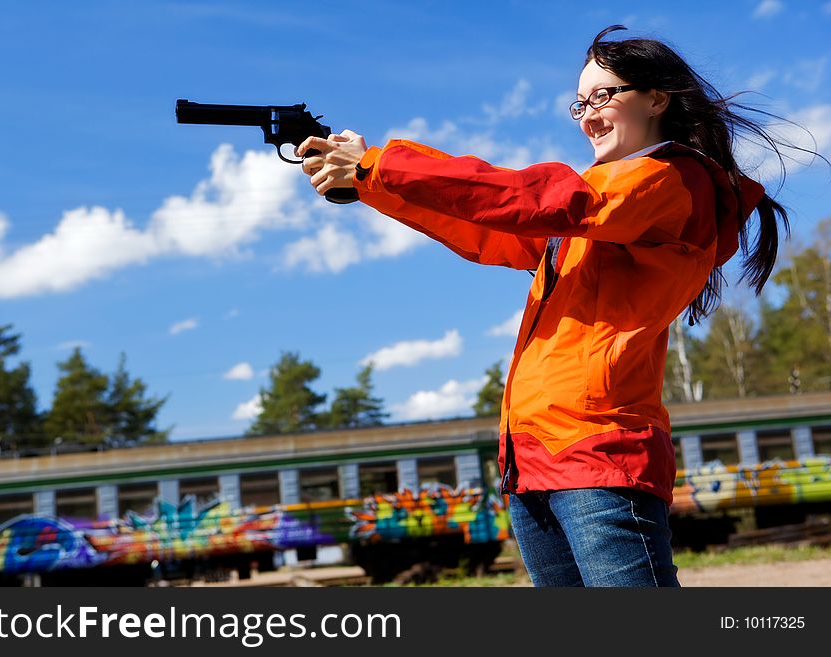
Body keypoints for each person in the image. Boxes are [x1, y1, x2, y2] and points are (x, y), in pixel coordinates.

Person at [295, 26, 804, 586]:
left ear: (657, 99)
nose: (588, 115)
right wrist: (371, 184)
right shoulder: (604, 211)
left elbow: (539, 199)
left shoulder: (668, 179)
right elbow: (492, 233)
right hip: (535, 461)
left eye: (603, 96)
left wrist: (379, 163)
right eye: (580, 103)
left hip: (600, 457)